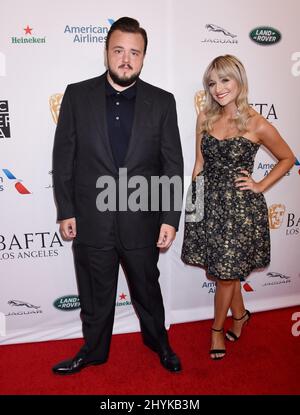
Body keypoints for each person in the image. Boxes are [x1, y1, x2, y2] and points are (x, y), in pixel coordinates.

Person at [52, 17, 183, 374]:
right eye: (119, 51)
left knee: (147, 291)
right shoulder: (78, 95)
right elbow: (64, 157)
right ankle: (93, 351)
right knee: (95, 295)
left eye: (134, 53)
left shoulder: (162, 101)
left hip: (142, 219)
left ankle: (159, 343)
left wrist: (170, 218)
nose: (126, 59)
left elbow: (173, 165)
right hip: (91, 219)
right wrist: (66, 210)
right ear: (106, 52)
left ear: (143, 57)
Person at [181, 55, 295, 360]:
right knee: (225, 272)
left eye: (225, 80)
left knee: (226, 276)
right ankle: (241, 315)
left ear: (239, 80)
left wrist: (259, 185)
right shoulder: (204, 117)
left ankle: (217, 329)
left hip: (240, 212)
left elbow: (287, 158)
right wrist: (194, 206)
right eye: (212, 83)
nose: (218, 89)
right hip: (208, 201)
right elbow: (199, 163)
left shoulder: (256, 122)